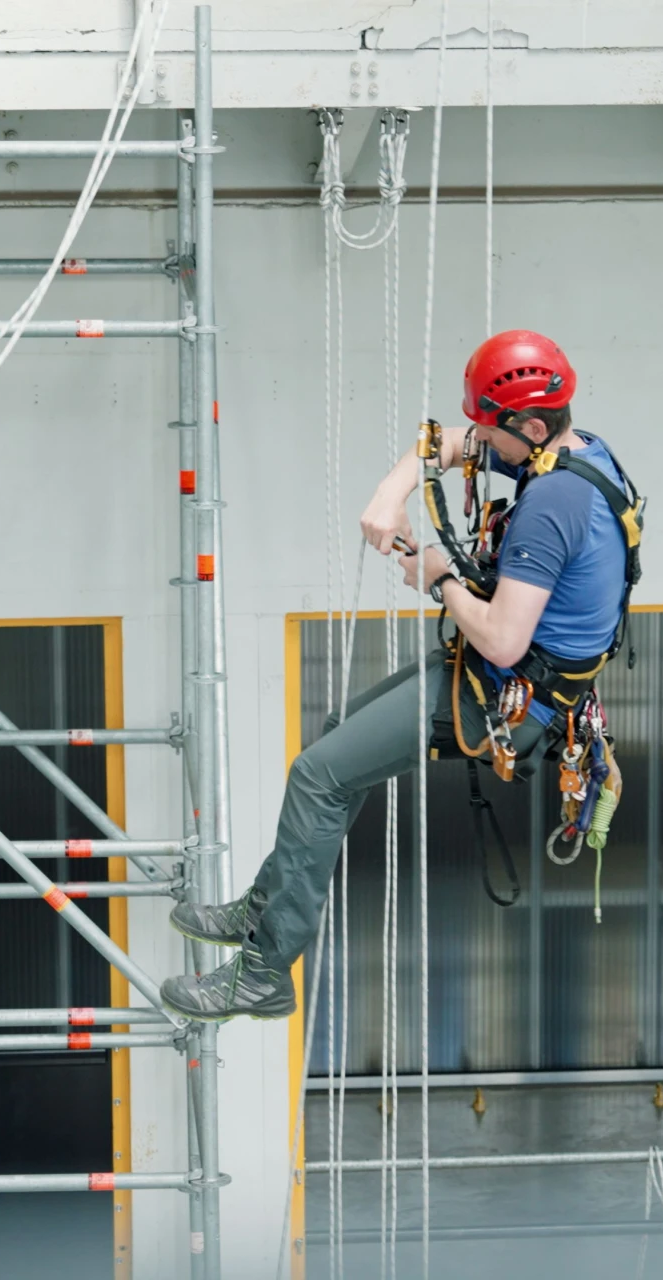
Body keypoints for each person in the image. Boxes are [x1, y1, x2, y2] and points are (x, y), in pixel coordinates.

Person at [160, 330, 638, 1021]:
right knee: (336, 740)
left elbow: (504, 639)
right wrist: (392, 492)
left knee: (318, 775)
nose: (479, 440)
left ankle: (264, 973)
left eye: (491, 430)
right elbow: (444, 442)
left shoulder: (550, 507)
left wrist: (440, 577)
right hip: (511, 677)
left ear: (530, 426)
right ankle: (268, 905)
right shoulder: (576, 453)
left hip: (510, 697)